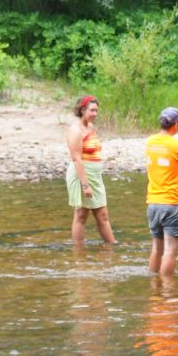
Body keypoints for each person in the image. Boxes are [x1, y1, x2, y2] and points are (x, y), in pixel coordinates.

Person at [145, 106, 178, 276]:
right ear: (175, 124)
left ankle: (155, 286)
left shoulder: (150, 142)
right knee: (170, 251)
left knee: (157, 247)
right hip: (172, 203)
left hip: (153, 202)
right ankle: (168, 291)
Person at [65, 94, 117, 244]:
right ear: (82, 110)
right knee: (81, 215)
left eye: (96, 111)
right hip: (82, 176)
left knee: (102, 215)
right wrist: (85, 185)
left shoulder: (90, 127)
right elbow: (76, 159)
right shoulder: (75, 130)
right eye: (92, 110)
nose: (95, 114)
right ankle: (79, 251)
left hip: (95, 176)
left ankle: (111, 246)